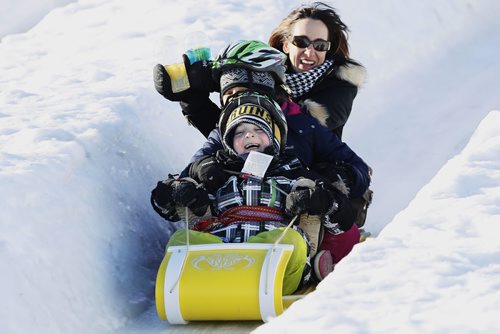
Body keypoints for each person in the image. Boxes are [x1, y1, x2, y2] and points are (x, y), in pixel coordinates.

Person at [151, 92, 353, 293]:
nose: (249, 135)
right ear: (228, 142)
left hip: (274, 260)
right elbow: (165, 198)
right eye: (239, 133)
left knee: (291, 242)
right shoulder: (215, 173)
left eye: (259, 129)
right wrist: (179, 192)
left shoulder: (295, 173)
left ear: (275, 137)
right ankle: (194, 283)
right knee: (179, 240)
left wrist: (321, 200)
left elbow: (343, 218)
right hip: (219, 255)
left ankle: (254, 270)